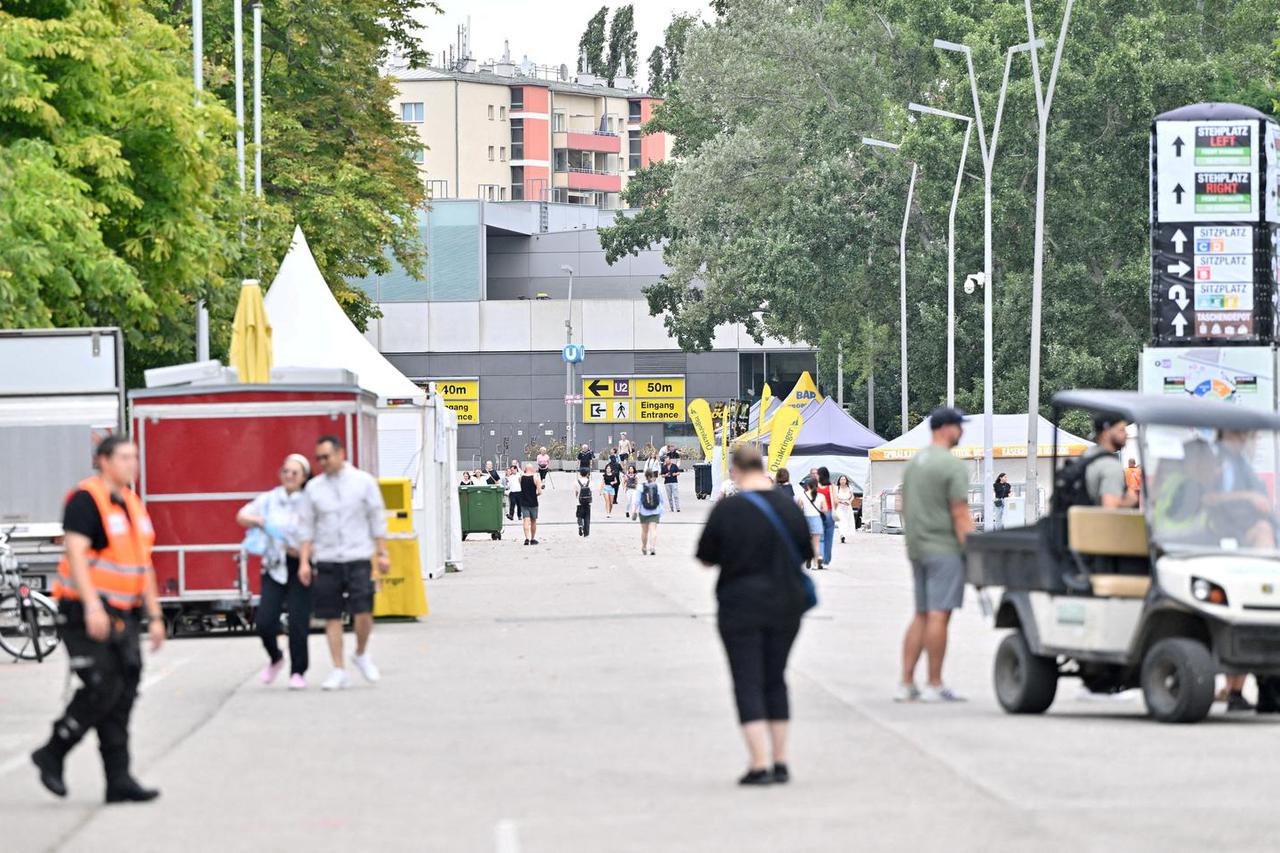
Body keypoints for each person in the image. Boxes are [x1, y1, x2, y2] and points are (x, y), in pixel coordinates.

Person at [32, 435, 164, 803]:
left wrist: (155, 615)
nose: (132, 464)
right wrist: (92, 606)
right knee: (101, 685)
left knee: (124, 690)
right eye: (124, 457)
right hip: (84, 612)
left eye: (135, 457)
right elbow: (75, 554)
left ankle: (118, 779)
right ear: (103, 461)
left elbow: (144, 565)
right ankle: (54, 751)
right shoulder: (86, 500)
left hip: (124, 615)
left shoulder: (133, 505)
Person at [696, 445, 813, 786]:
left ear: (734, 471)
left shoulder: (728, 509)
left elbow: (705, 558)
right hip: (787, 603)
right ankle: (781, 761)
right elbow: (808, 551)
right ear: (761, 467)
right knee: (775, 678)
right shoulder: (788, 508)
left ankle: (759, 763)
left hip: (739, 604)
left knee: (747, 679)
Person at [298, 435, 389, 691]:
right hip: (327, 558)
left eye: (326, 457)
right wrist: (304, 562)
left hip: (358, 555)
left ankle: (360, 652)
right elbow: (306, 527)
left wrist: (382, 553)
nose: (322, 462)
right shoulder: (314, 488)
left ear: (341, 454)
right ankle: (338, 669)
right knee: (331, 615)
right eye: (319, 459)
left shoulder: (363, 483)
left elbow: (377, 519)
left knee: (363, 610)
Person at [897, 407, 973, 703]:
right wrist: (971, 549)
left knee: (922, 613)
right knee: (940, 615)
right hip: (944, 548)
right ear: (945, 428)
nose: (962, 432)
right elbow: (960, 512)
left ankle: (906, 682)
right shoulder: (952, 466)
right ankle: (934, 683)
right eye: (959, 426)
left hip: (917, 547)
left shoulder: (915, 463)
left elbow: (902, 505)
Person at [237, 453, 314, 690]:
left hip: (299, 565)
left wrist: (304, 561)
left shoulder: (309, 502)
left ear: (304, 478)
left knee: (298, 622)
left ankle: (298, 671)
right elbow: (241, 516)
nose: (289, 476)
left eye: (294, 472)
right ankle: (275, 658)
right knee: (264, 621)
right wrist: (259, 522)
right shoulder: (270, 499)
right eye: (285, 471)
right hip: (274, 565)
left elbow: (312, 534)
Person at [1081, 414, 1138, 509]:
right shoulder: (1111, 466)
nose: (1126, 434)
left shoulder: (1087, 455)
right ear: (1106, 433)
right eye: (1121, 430)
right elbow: (1111, 509)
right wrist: (1131, 500)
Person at [796, 477, 826, 569]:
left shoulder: (802, 496)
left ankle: (808, 557)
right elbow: (825, 510)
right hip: (816, 519)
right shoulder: (821, 496)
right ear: (817, 486)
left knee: (808, 543)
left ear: (807, 486)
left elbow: (799, 509)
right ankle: (816, 564)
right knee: (816, 544)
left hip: (806, 520)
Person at [637, 468, 668, 555]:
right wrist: (661, 510)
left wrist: (635, 511)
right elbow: (662, 500)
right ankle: (652, 547)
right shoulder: (658, 486)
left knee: (644, 531)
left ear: (645, 476)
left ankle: (644, 546)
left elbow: (637, 501)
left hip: (644, 511)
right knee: (653, 529)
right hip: (655, 510)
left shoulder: (641, 486)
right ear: (653, 476)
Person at [816, 467, 835, 567]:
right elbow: (836, 501)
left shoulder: (816, 486)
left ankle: (820, 557)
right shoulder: (832, 486)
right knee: (829, 537)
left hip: (819, 512)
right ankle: (826, 561)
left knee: (820, 537)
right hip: (830, 512)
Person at [520, 462, 543, 545]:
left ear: (525, 469)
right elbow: (540, 492)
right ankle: (532, 539)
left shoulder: (521, 478)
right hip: (533, 502)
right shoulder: (536, 478)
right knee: (533, 521)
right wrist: (535, 494)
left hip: (524, 502)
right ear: (532, 469)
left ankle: (526, 538)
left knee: (526, 520)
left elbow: (521, 488)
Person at [833, 475, 856, 543]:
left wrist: (849, 501)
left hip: (848, 506)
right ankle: (842, 535)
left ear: (846, 481)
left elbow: (852, 496)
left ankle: (844, 535)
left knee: (847, 521)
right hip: (840, 506)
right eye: (841, 479)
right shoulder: (837, 488)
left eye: (844, 479)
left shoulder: (850, 488)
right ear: (839, 481)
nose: (843, 481)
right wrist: (841, 502)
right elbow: (835, 498)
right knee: (842, 521)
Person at [575, 467, 593, 537]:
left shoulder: (576, 482)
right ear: (587, 474)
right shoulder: (590, 482)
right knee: (587, 517)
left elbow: (576, 492)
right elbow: (591, 491)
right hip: (587, 502)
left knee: (579, 515)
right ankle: (586, 533)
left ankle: (580, 525)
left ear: (580, 473)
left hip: (579, 501)